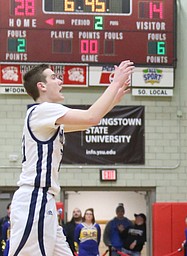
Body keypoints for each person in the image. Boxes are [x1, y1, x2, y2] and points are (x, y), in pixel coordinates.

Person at [8, 60, 133, 256]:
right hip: (34, 199)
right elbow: (90, 117)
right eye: (54, 77)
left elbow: (89, 122)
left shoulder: (48, 118)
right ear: (41, 86)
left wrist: (114, 99)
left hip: (44, 200)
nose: (60, 81)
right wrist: (115, 83)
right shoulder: (42, 110)